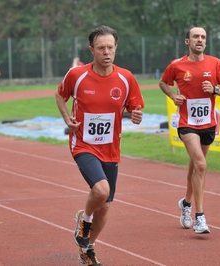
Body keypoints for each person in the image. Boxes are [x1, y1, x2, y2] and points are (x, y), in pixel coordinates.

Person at [55, 25, 144, 266]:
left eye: (111, 48)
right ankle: (84, 220)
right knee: (101, 191)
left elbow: (135, 107)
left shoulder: (126, 78)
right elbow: (60, 95)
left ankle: (87, 249)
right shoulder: (77, 75)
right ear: (91, 50)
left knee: (104, 207)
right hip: (83, 143)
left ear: (116, 49)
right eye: (102, 48)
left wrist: (136, 115)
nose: (107, 52)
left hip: (111, 148)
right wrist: (67, 118)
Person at [159, 26, 220, 234]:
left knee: (195, 168)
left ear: (205, 42)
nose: (199, 40)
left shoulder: (216, 64)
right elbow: (163, 82)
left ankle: (186, 204)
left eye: (203, 37)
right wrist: (173, 96)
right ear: (187, 42)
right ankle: (200, 217)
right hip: (187, 123)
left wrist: (216, 90)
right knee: (201, 164)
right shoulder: (177, 65)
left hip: (208, 125)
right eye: (195, 37)